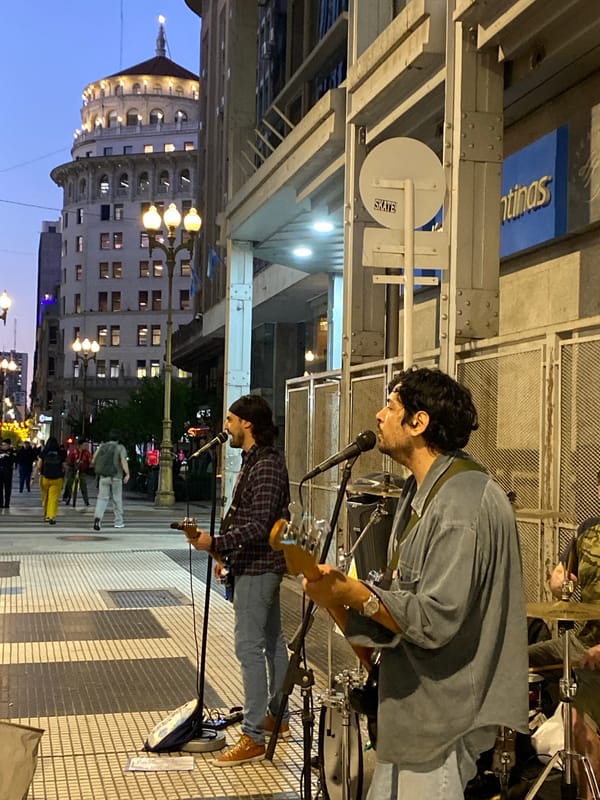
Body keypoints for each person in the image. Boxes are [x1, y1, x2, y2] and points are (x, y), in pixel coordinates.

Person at [302, 367, 529, 799]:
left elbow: (437, 617)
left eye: (390, 406)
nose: (378, 415)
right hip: (415, 709)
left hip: (445, 715)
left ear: (418, 422)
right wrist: (337, 598)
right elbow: (400, 598)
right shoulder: (419, 491)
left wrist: (357, 595)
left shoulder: (462, 502)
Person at [182, 394, 291, 767]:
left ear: (247, 423)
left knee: (249, 648)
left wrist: (218, 543)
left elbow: (259, 524)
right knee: (273, 642)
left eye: (230, 420)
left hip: (261, 566)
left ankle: (254, 734)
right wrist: (225, 555)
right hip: (252, 563)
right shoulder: (254, 461)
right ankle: (277, 715)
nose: (225, 427)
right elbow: (242, 513)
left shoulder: (267, 466)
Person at [529, 510, 600, 798]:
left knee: (577, 720)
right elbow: (562, 574)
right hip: (582, 642)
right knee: (511, 662)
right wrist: (558, 580)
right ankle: (505, 759)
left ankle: (590, 793)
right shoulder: (589, 528)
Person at [92, 432, 129, 530]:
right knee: (117, 499)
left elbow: (93, 460)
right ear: (118, 439)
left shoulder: (102, 447)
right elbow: (123, 461)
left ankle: (98, 519)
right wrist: (127, 473)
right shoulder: (120, 448)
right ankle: (118, 521)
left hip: (103, 477)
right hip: (116, 477)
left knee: (102, 498)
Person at [32, 436, 67, 524]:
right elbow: (65, 467)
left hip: (45, 478)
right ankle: (51, 516)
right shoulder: (60, 453)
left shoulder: (44, 452)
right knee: (53, 498)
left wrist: (33, 478)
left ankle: (46, 515)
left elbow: (39, 466)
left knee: (45, 498)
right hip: (57, 479)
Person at [63, 440, 92, 506]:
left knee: (83, 485)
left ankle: (86, 501)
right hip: (73, 469)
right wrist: (68, 466)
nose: (86, 446)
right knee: (69, 483)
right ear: (80, 445)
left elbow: (90, 461)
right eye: (85, 445)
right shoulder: (74, 452)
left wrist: (90, 464)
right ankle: (66, 496)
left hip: (82, 471)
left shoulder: (87, 453)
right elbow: (68, 460)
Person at [0, 438, 16, 508]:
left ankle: (7, 503)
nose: (3, 446)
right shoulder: (0, 452)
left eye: (5, 445)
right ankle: (0, 503)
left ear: (9, 445)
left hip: (8, 471)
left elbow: (14, 460)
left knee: (7, 488)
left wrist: (8, 455)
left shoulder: (12, 452)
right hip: (0, 471)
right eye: (2, 445)